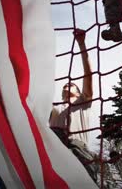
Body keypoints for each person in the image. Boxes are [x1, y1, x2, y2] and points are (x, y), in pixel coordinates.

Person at [49, 28, 98, 181]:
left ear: (78, 92)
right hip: (56, 149)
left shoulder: (83, 101)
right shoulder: (54, 107)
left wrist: (82, 45)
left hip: (78, 150)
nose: (67, 84)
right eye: (65, 85)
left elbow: (88, 75)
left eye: (72, 84)